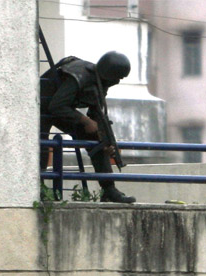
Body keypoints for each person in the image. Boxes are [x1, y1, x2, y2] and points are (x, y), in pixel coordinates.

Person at [40, 51, 136, 204]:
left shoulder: (99, 81)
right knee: (41, 144)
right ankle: (39, 188)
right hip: (42, 107)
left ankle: (109, 190)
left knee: (97, 139)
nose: (117, 81)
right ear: (108, 73)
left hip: (61, 109)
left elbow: (97, 114)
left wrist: (106, 140)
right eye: (116, 77)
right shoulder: (79, 76)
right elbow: (56, 106)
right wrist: (85, 121)